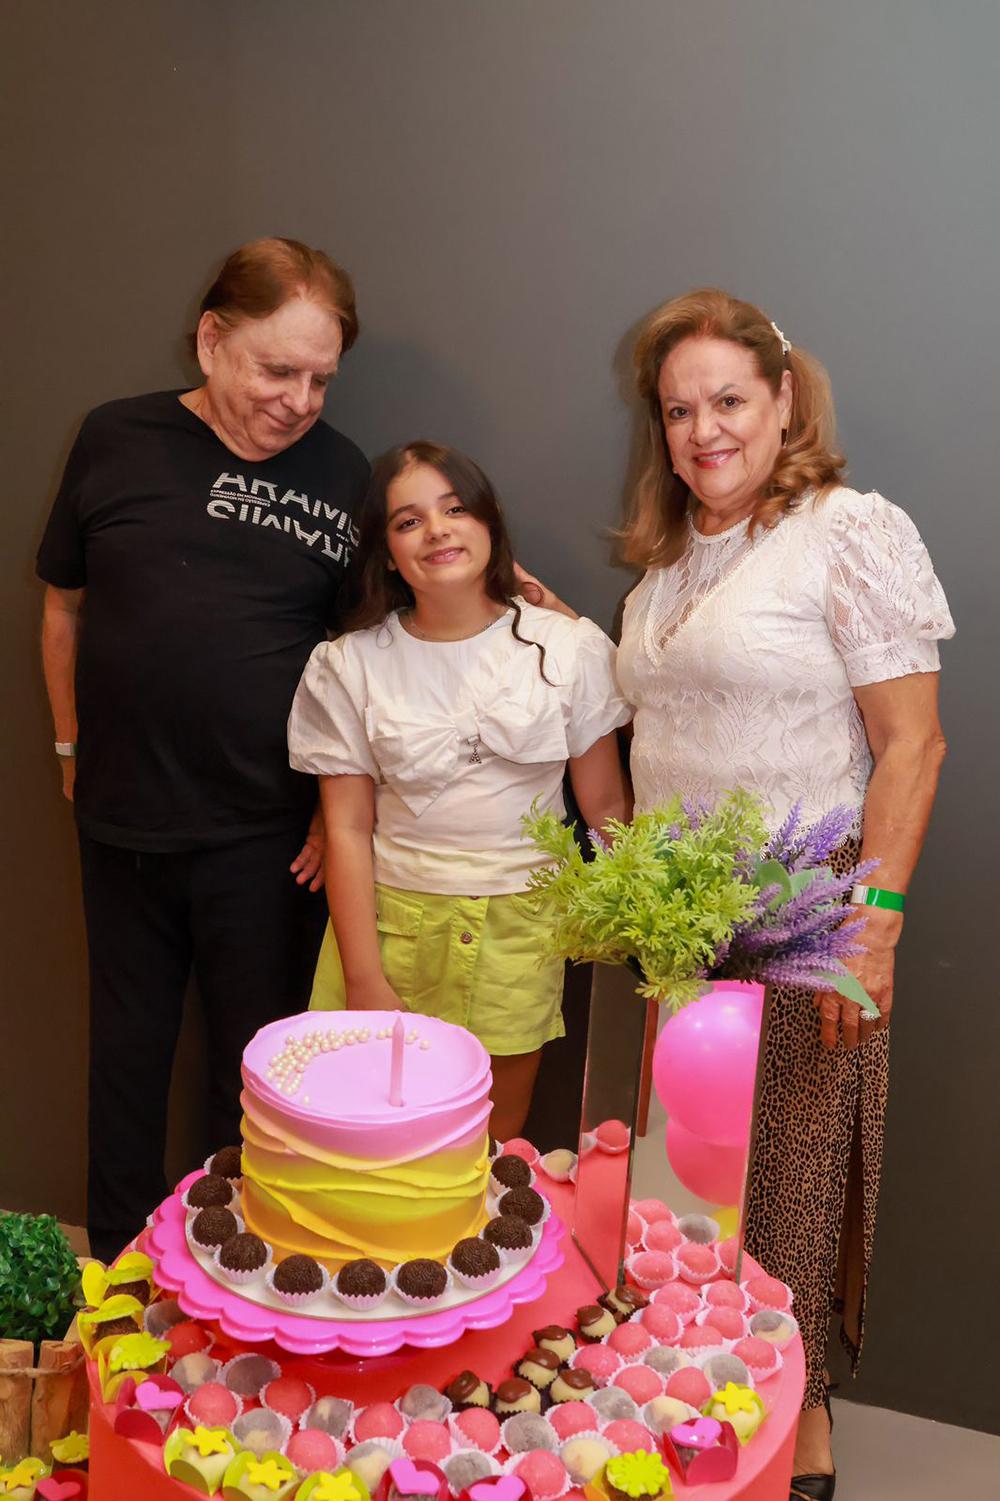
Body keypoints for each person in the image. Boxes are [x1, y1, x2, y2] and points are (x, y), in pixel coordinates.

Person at [614, 288, 953, 1499]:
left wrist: (876, 925)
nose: (703, 430)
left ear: (783, 398)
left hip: (805, 912)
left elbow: (912, 746)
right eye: (677, 410)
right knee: (687, 1182)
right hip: (678, 921)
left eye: (727, 400)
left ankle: (796, 1434)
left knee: (790, 1187)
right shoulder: (669, 559)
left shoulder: (848, 529)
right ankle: (694, 1398)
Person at [37, 238, 370, 1264]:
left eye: (319, 378)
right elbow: (63, 604)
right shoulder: (114, 436)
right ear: (212, 338)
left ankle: (247, 1286)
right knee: (126, 1064)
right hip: (125, 818)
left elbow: (358, 665)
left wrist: (331, 808)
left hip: (267, 837)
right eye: (277, 371)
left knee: (261, 1077)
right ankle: (120, 1288)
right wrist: (66, 739)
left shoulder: (344, 472)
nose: (298, 400)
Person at [287, 441, 633, 1137]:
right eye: (408, 521)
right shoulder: (347, 665)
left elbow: (605, 810)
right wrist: (364, 977)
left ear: (489, 524)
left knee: (488, 1141)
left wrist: (637, 926)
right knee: (368, 1135)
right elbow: (348, 829)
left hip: (521, 929)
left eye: (455, 509)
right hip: (390, 927)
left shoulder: (567, 648)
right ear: (387, 552)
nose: (438, 530)